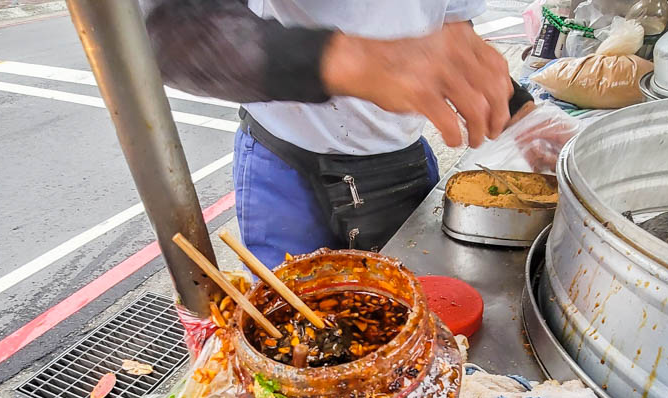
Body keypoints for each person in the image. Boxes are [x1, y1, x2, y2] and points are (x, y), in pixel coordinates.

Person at [141, 0, 549, 267]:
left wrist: (520, 111)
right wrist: (353, 62)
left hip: (398, 161)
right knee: (292, 337)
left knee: (411, 328)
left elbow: (454, 26)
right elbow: (166, 29)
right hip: (286, 162)